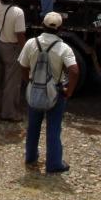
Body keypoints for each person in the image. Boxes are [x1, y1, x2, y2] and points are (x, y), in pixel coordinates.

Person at [19, 12, 79, 174]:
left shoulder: (31, 43)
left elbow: (23, 66)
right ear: (60, 29)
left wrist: (29, 82)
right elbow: (74, 71)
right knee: (53, 128)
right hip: (56, 92)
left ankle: (31, 157)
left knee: (33, 125)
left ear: (42, 24)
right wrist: (69, 91)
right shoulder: (63, 47)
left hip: (35, 90)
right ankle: (53, 164)